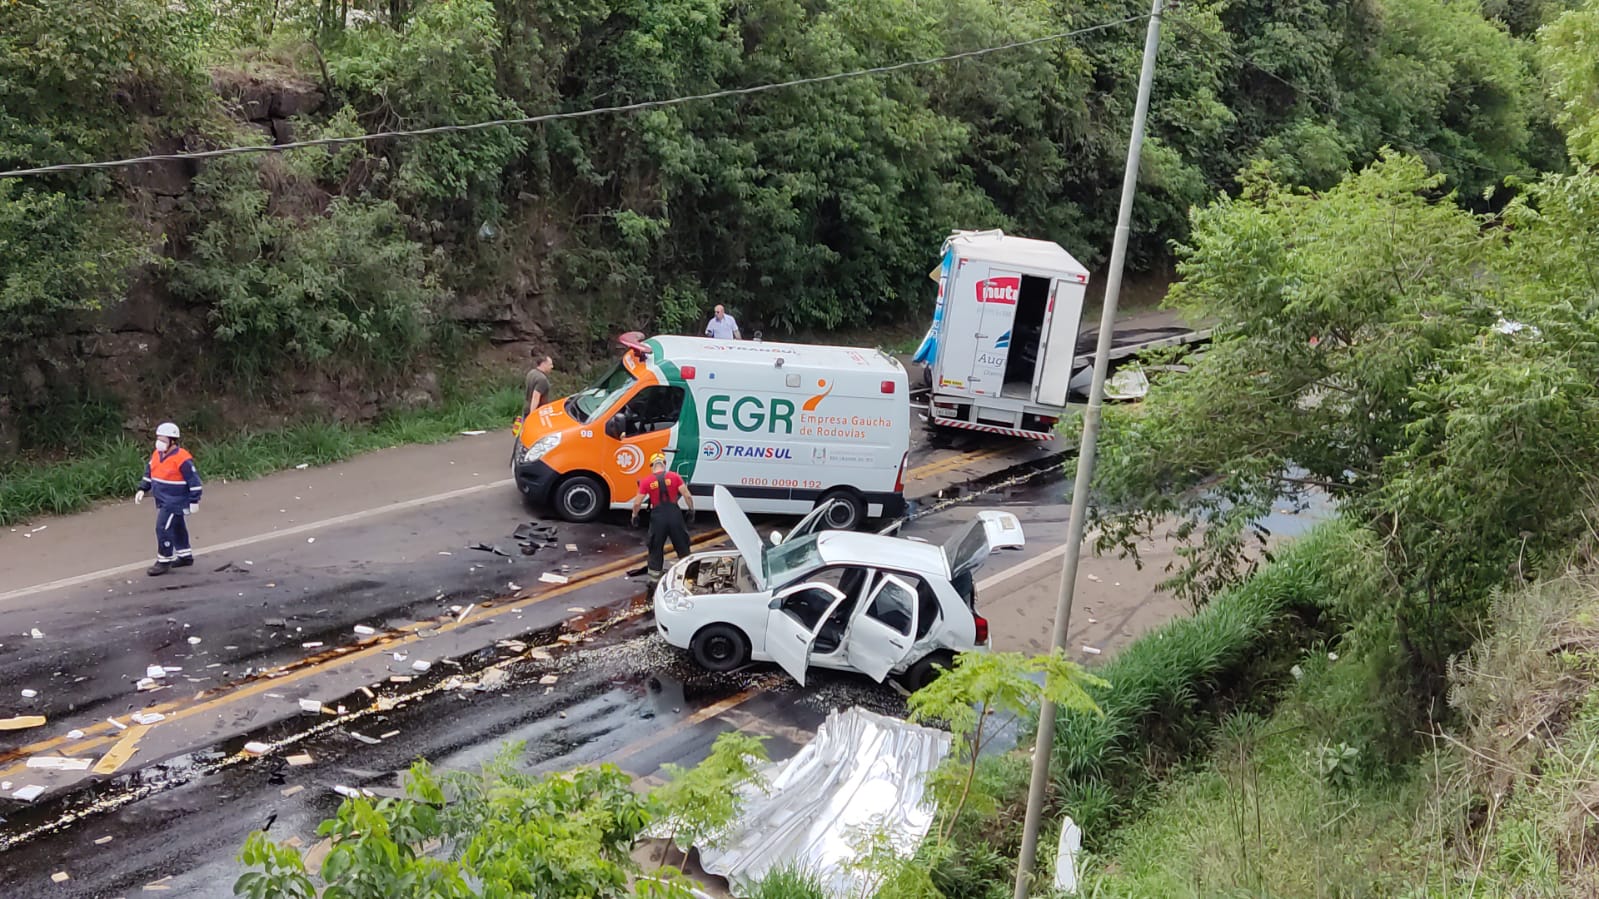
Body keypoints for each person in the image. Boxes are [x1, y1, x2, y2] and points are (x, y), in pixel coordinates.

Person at [135, 421, 202, 576]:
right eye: (158, 439)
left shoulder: (182, 458)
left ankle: (164, 560)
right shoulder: (156, 455)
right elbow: (149, 472)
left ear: (173, 441)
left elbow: (194, 481)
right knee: (177, 526)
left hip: (175, 500)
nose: (159, 443)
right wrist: (142, 488)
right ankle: (185, 555)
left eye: (163, 440)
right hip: (163, 498)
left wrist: (194, 500)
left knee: (163, 527)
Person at [631, 452, 695, 586]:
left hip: (658, 517)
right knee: (683, 547)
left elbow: (637, 503)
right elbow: (687, 495)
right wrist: (691, 510)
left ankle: (654, 581)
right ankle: (688, 578)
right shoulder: (675, 477)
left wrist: (634, 516)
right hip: (675, 515)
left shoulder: (646, 481)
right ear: (664, 464)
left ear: (651, 466)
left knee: (655, 547)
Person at [515, 352, 554, 436]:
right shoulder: (542, 379)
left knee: (525, 432)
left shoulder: (531, 373)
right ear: (543, 364)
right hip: (537, 412)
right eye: (550, 364)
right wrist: (532, 415)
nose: (552, 367)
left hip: (526, 407)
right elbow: (536, 397)